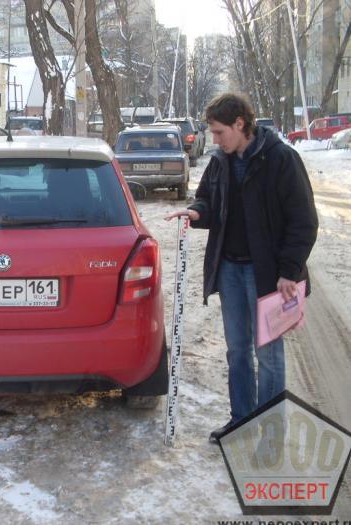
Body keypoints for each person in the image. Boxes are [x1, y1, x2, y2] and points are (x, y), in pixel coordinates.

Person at [165, 93, 318, 443]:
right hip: (231, 271)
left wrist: (288, 271)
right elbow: (206, 198)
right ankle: (243, 423)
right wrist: (196, 211)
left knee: (269, 355)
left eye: (219, 133)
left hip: (270, 277)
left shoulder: (281, 159)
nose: (214, 140)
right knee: (237, 351)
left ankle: (272, 435)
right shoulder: (221, 162)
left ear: (240, 124)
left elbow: (304, 222)